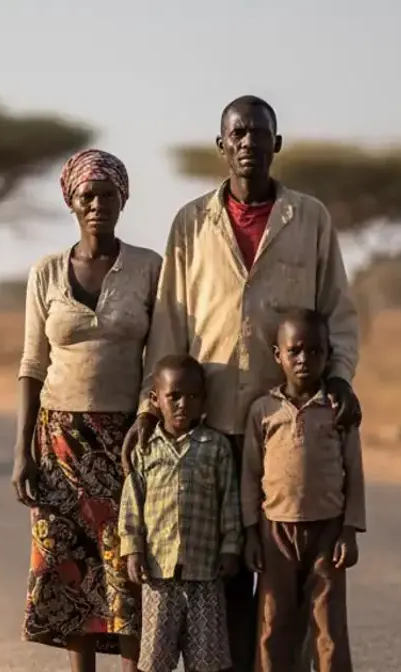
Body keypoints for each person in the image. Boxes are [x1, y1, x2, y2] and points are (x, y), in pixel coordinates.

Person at [121, 95, 363, 672]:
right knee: (223, 569)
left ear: (276, 145)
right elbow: (171, 323)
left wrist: (340, 378)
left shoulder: (309, 218)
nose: (249, 142)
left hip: (290, 426)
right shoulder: (191, 222)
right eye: (238, 133)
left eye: (260, 133)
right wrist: (151, 408)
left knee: (290, 578)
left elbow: (338, 311)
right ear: (221, 144)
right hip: (213, 424)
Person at [12, 149, 162, 672]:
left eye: (108, 194)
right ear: (71, 203)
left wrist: (146, 419)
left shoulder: (147, 268)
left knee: (126, 565)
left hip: (126, 437)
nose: (98, 204)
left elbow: (158, 359)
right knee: (70, 567)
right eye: (88, 196)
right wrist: (22, 453)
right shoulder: (47, 272)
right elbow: (33, 363)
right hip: (58, 441)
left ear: (124, 199)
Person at [242, 309, 366, 672]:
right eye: (294, 350)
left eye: (315, 351)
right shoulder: (263, 411)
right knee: (273, 624)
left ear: (328, 355)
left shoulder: (337, 410)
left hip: (327, 532)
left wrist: (350, 529)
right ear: (277, 354)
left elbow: (354, 472)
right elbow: (250, 476)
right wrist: (251, 533)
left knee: (327, 628)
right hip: (274, 532)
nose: (304, 360)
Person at [120, 354, 241, 672]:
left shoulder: (215, 447)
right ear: (155, 399)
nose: (183, 405)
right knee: (156, 659)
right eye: (174, 396)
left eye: (192, 396)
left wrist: (230, 548)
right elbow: (132, 503)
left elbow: (229, 500)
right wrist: (133, 549)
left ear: (204, 400)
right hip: (159, 575)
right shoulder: (145, 449)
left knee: (205, 660)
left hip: (205, 573)